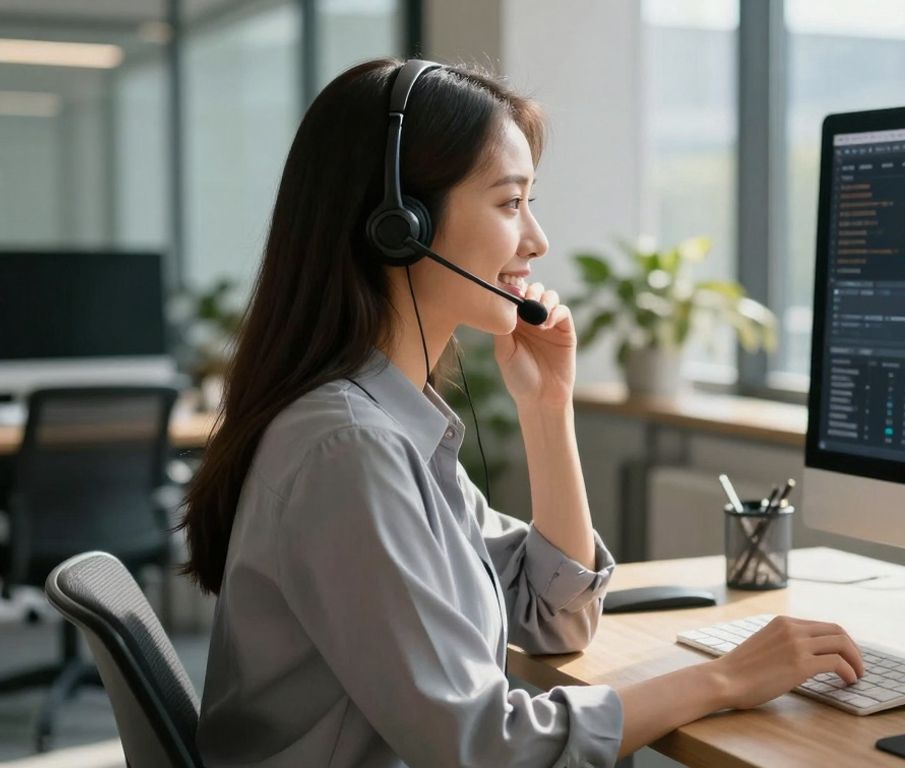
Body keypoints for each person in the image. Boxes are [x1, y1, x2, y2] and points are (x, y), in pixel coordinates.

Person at [180, 58, 863, 767]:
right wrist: (722, 680)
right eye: (510, 204)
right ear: (399, 226)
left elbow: (554, 616)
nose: (537, 241)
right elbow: (484, 748)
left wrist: (547, 410)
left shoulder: (393, 425)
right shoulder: (350, 448)